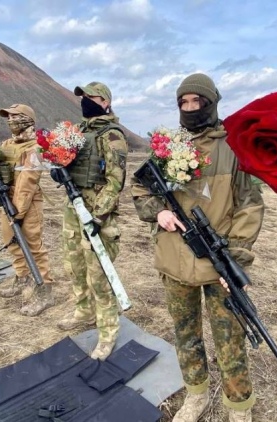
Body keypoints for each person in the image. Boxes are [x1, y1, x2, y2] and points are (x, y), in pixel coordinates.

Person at [131, 73, 265, 422]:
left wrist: (236, 256)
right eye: (184, 102)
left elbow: (250, 205)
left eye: (198, 101)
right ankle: (196, 394)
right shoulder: (166, 147)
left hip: (219, 260)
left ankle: (239, 406)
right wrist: (158, 212)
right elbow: (140, 191)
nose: (190, 108)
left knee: (230, 337)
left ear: (212, 102)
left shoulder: (232, 148)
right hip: (174, 260)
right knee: (186, 334)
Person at [56, 81, 128, 361]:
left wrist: (98, 215)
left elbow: (115, 181)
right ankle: (84, 310)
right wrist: (59, 169)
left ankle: (108, 331)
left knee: (99, 274)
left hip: (97, 212)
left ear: (105, 102)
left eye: (92, 97)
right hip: (73, 207)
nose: (85, 100)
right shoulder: (77, 132)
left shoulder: (112, 136)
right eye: (83, 96)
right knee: (74, 264)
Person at [0, 104, 55, 316]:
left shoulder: (36, 147)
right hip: (7, 199)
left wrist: (18, 212)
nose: (10, 120)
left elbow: (28, 180)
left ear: (27, 119)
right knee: (11, 241)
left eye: (15, 116)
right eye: (8, 117)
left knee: (33, 246)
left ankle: (44, 292)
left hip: (28, 202)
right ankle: (22, 278)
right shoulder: (7, 144)